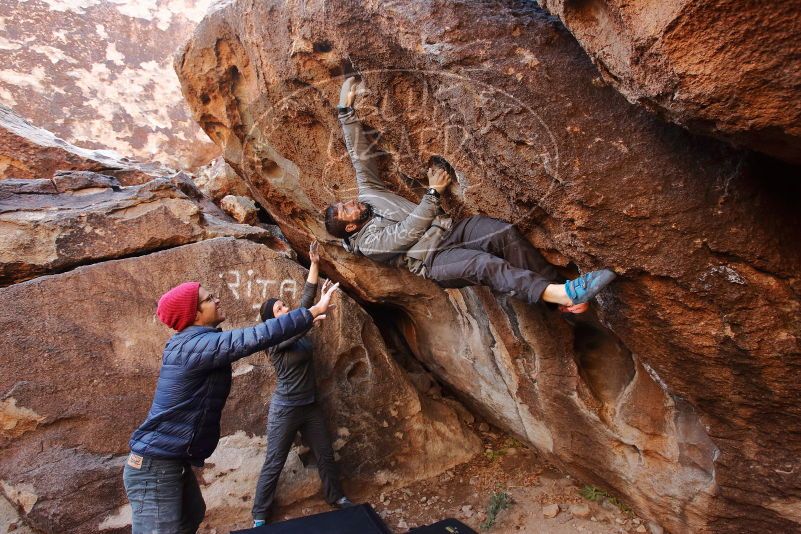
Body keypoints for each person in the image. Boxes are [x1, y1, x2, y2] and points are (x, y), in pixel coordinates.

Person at [324, 77, 615, 312]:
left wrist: (345, 113)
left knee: (504, 233)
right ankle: (563, 295)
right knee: (483, 265)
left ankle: (561, 295)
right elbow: (406, 232)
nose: (350, 203)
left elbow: (359, 157)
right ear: (351, 227)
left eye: (344, 202)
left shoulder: (368, 195)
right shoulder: (369, 245)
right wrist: (433, 193)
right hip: (434, 260)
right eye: (345, 210)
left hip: (452, 229)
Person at [124, 278, 339, 534]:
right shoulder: (194, 346)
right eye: (208, 298)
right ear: (193, 314)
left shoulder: (198, 342)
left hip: (169, 462)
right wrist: (312, 311)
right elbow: (256, 336)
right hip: (153, 468)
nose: (217, 299)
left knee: (192, 516)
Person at [250, 239, 353, 527]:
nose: (286, 309)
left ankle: (336, 497)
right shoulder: (273, 340)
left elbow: (306, 300)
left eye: (285, 306)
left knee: (325, 453)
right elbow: (298, 327)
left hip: (310, 405)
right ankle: (259, 515)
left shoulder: (295, 324)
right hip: (286, 409)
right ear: (272, 318)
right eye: (281, 309)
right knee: (275, 460)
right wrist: (314, 316)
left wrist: (315, 264)